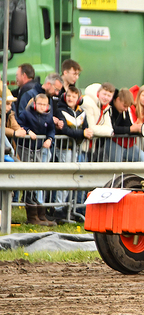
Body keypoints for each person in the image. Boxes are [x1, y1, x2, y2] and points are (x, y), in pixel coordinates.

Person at [16, 93, 56, 226]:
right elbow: (19, 125)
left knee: (38, 179)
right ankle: (31, 214)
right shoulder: (26, 114)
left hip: (39, 150)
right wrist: (28, 131)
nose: (42, 107)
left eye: (45, 105)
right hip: (26, 149)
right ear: (34, 104)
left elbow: (51, 130)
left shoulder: (48, 116)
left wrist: (49, 139)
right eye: (40, 104)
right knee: (29, 179)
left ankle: (41, 214)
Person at [53, 85, 93, 219]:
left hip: (76, 150)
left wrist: (85, 132)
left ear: (79, 99)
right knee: (64, 179)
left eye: (73, 96)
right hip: (64, 149)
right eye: (68, 96)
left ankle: (67, 208)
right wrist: (82, 133)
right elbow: (66, 131)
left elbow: (86, 128)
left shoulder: (82, 112)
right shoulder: (60, 110)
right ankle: (58, 208)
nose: (70, 98)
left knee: (72, 180)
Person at [107, 88, 144, 162]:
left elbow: (129, 125)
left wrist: (138, 129)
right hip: (114, 143)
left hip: (128, 145)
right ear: (117, 99)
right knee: (116, 168)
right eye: (124, 106)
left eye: (127, 107)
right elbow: (110, 128)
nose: (126, 109)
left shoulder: (124, 110)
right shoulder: (109, 109)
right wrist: (130, 129)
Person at [82, 82, 116, 161]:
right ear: (98, 93)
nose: (106, 97)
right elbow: (91, 128)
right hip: (80, 145)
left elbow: (109, 127)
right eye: (104, 94)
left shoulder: (106, 107)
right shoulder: (88, 102)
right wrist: (109, 132)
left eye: (109, 96)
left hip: (90, 146)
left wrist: (109, 130)